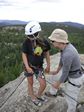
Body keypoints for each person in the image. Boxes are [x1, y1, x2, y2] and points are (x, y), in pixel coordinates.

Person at [46, 28, 84, 112]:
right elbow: (61, 59)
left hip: (75, 79)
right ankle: (53, 93)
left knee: (71, 99)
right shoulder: (65, 47)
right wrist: (56, 71)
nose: (51, 43)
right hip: (71, 72)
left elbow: (65, 73)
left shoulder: (68, 53)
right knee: (53, 77)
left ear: (59, 41)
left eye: (53, 41)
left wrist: (58, 84)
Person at [22, 21, 50, 106]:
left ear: (37, 33)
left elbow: (46, 54)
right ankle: (33, 97)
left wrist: (48, 65)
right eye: (28, 36)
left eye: (31, 35)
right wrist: (27, 67)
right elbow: (24, 54)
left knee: (43, 84)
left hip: (38, 67)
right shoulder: (26, 42)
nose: (29, 37)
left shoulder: (44, 42)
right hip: (29, 66)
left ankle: (38, 95)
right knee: (30, 83)